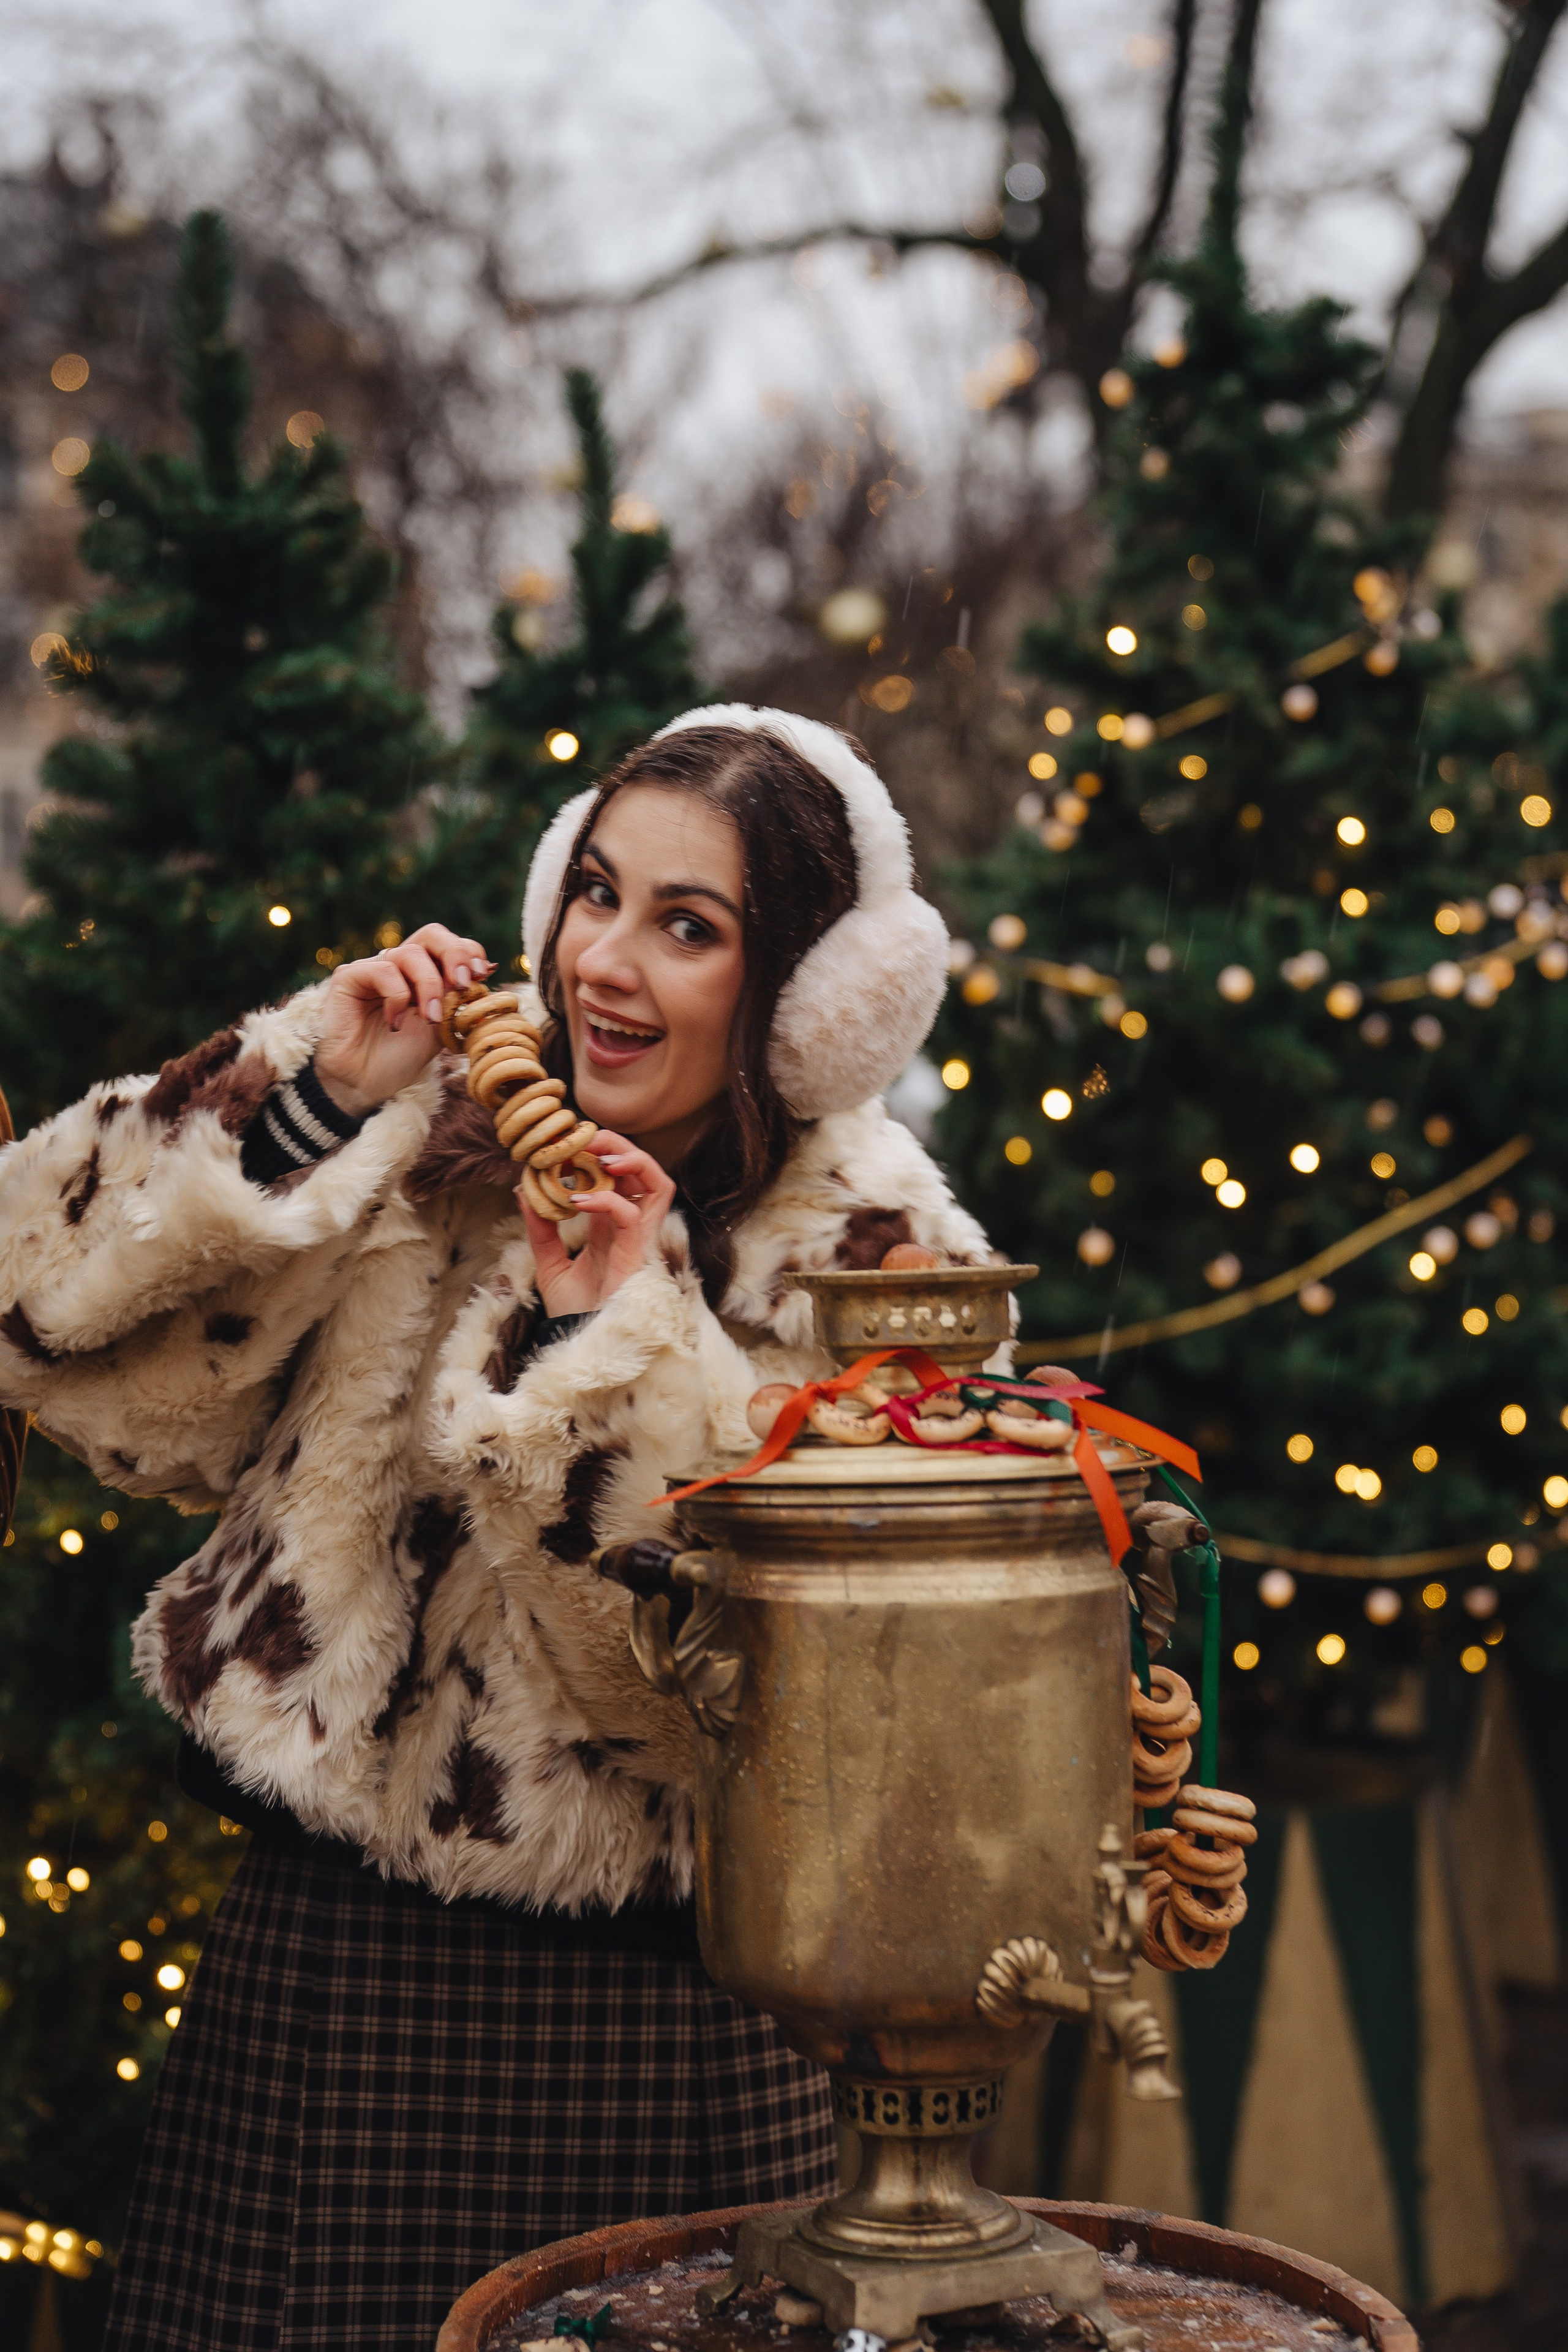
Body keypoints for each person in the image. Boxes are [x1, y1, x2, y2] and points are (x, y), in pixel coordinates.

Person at [0, 706, 998, 2352]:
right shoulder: (439, 1142)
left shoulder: (886, 1284)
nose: (605, 960)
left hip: (652, 2029)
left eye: (690, 928)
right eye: (595, 893)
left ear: (813, 999)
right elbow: (48, 1335)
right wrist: (309, 1099)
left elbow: (705, 1714)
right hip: (321, 1983)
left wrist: (613, 1347)